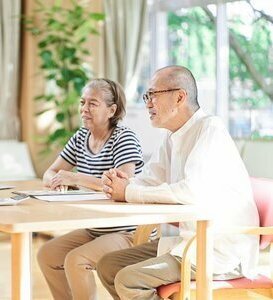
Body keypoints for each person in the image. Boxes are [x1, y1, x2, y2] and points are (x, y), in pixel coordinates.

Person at [97, 65, 259, 299]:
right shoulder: (172, 137)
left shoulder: (210, 129)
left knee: (127, 280)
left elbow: (191, 191)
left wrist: (129, 192)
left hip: (219, 250)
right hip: (189, 243)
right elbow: (149, 179)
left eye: (153, 95)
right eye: (147, 96)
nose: (148, 103)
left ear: (180, 97)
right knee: (108, 266)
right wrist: (123, 182)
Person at [38, 78, 148, 300]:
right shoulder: (81, 137)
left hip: (129, 231)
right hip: (97, 229)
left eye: (92, 103)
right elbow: (49, 173)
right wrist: (58, 179)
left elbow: (123, 186)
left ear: (112, 110)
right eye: (82, 102)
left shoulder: (123, 138)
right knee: (47, 254)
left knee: (76, 260)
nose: (84, 109)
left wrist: (75, 178)